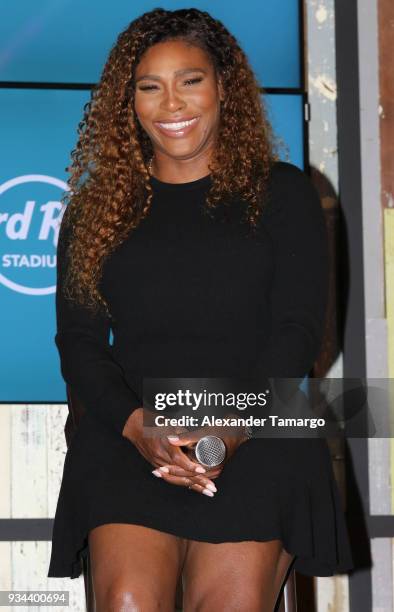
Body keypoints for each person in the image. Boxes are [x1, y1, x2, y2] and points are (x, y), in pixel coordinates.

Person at [47, 8, 354, 611]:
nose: (171, 104)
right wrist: (138, 426)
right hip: (133, 433)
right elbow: (78, 344)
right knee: (129, 601)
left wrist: (228, 428)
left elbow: (296, 330)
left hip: (260, 426)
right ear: (127, 101)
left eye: (190, 80)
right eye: (149, 86)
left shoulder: (281, 193)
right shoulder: (94, 210)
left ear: (224, 88)